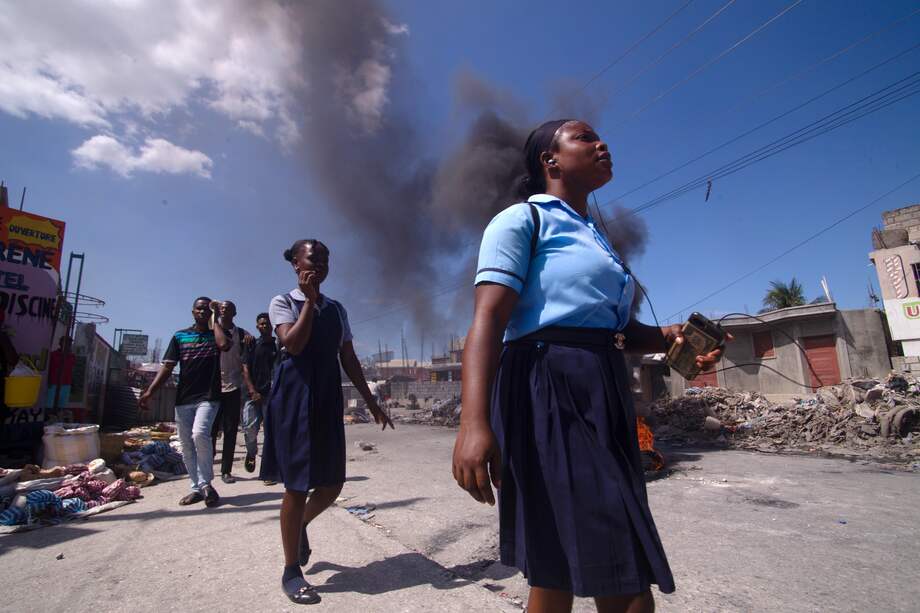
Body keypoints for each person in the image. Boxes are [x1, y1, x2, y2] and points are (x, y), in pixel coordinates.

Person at [452, 119, 727, 613]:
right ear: (549, 161)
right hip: (549, 388)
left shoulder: (593, 236)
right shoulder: (520, 221)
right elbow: (488, 320)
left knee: (556, 566)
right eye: (583, 137)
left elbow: (616, 332)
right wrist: (473, 424)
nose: (602, 143)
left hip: (601, 389)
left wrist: (673, 338)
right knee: (621, 565)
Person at [262, 239, 394, 605]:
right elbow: (294, 344)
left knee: (333, 483)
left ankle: (300, 524)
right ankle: (291, 571)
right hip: (293, 399)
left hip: (326, 399)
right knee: (296, 485)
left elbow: (348, 359)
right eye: (311, 258)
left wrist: (372, 402)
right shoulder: (282, 303)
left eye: (324, 258)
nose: (318, 263)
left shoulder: (337, 309)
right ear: (295, 264)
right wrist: (307, 301)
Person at [140, 297, 231, 507]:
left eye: (206, 310)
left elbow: (224, 345)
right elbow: (167, 367)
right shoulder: (180, 336)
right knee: (187, 446)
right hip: (184, 399)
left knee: (200, 434)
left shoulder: (215, 335)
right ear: (192, 311)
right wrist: (150, 392)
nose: (202, 312)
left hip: (208, 397)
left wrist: (216, 317)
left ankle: (207, 483)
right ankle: (198, 488)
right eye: (199, 309)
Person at [210, 300, 251, 484]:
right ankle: (206, 468)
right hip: (212, 387)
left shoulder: (241, 334)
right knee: (209, 430)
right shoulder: (211, 329)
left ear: (234, 313)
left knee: (230, 430)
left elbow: (247, 359)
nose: (223, 310)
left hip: (233, 387)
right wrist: (213, 313)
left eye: (228, 308)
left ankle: (225, 471)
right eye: (221, 308)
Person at [242, 312, 276, 476]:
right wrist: (252, 390)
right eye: (262, 324)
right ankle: (251, 453)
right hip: (252, 395)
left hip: (272, 396)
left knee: (271, 433)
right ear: (257, 326)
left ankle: (268, 470)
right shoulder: (251, 344)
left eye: (268, 323)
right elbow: (245, 368)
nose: (265, 326)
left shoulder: (279, 345)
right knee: (249, 430)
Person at [47, 335, 76, 410]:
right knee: (48, 406)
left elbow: (72, 371)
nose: (67, 345)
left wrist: (72, 385)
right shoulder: (53, 355)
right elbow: (48, 369)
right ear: (60, 343)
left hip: (66, 385)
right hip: (53, 384)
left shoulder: (72, 357)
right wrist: (48, 381)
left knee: (61, 408)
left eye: (69, 343)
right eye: (65, 342)